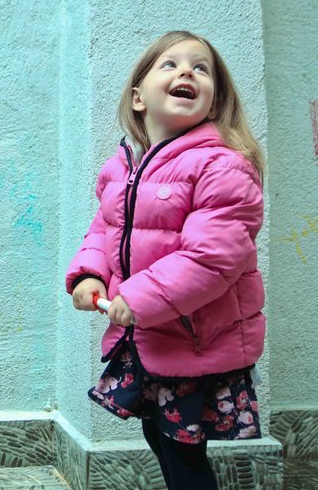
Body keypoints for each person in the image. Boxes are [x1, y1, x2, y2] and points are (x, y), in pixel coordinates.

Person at [65, 31, 265, 490]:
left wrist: (139, 297)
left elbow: (213, 258)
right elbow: (104, 230)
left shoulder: (222, 166)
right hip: (147, 336)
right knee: (158, 436)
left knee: (183, 456)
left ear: (213, 103)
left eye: (201, 68)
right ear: (138, 97)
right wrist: (91, 273)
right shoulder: (122, 168)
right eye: (171, 64)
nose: (187, 72)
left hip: (193, 340)